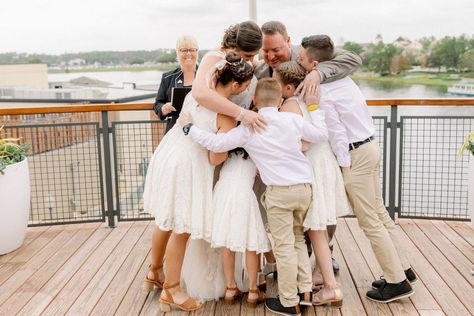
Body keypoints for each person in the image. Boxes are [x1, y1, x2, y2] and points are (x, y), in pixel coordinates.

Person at [178, 77, 330, 316]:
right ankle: (306, 292)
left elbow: (216, 144)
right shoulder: (293, 119)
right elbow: (321, 134)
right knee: (298, 239)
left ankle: (289, 302)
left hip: (279, 194)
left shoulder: (249, 129)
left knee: (284, 247)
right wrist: (313, 106)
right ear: (280, 101)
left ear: (255, 100)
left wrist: (189, 127)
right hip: (304, 189)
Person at [297, 34, 417, 303]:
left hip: (354, 155)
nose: (298, 59)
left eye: (302, 57)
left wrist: (344, 168)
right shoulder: (343, 79)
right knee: (380, 214)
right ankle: (403, 269)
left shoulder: (322, 90)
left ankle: (397, 283)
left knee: (369, 222)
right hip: (370, 146)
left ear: (314, 63)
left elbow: (336, 133)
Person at [142, 51, 254, 312]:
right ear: (235, 85)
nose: (245, 91)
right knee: (182, 229)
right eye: (245, 86)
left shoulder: (198, 92)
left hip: (168, 155)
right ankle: (172, 291)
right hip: (188, 166)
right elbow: (216, 158)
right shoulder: (225, 115)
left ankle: (156, 273)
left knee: (167, 219)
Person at [254, 20, 362, 273]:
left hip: (316, 150)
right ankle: (300, 262)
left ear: (288, 41)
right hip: (288, 160)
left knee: (321, 207)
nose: (270, 56)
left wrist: (318, 73)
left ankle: (322, 257)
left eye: (276, 50)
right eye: (265, 51)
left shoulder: (311, 58)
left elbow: (353, 59)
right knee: (296, 213)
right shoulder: (261, 73)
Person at [273, 60, 349, 305]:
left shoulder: (289, 106)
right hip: (325, 162)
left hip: (311, 168)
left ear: (286, 87)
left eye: (275, 81)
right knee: (318, 230)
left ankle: (331, 287)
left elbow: (301, 143)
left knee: (315, 230)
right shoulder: (309, 98)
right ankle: (323, 280)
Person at [153, 35, 199, 133]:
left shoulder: (207, 76)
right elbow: (157, 104)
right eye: (184, 50)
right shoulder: (167, 78)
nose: (188, 53)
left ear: (197, 52)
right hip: (175, 128)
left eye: (192, 50)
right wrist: (163, 108)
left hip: (202, 127)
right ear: (177, 52)